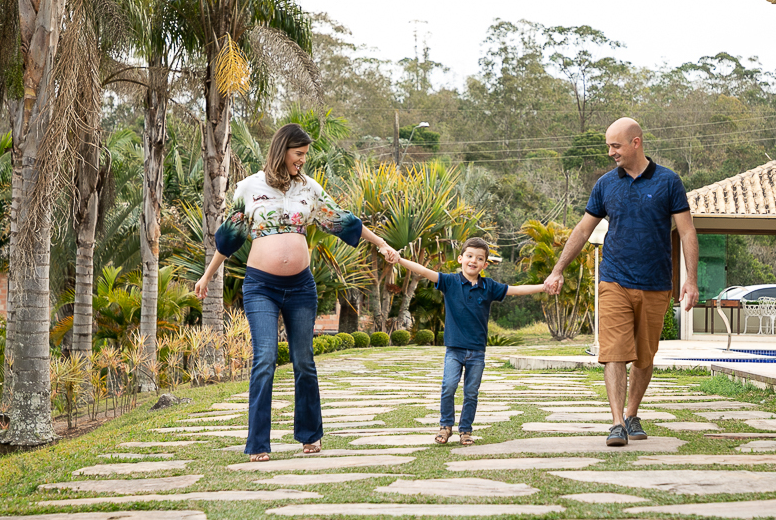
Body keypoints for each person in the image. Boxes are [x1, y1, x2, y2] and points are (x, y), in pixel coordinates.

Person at [194, 124, 399, 462]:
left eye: (305, 155)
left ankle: (309, 434)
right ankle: (258, 443)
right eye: (298, 154)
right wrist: (207, 276)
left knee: (304, 360)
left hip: (301, 287)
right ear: (282, 150)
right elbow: (230, 237)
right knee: (265, 358)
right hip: (261, 286)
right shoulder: (249, 187)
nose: (302, 160)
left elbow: (343, 221)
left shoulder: (309, 188)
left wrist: (382, 244)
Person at [544, 118, 698, 447]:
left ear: (635, 143)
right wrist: (558, 269)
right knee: (613, 353)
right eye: (608, 146)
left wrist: (691, 280)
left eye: (615, 146)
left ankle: (632, 414)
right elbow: (583, 230)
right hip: (614, 279)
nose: (611, 152)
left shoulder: (669, 181)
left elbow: (687, 232)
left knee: (644, 357)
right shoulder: (605, 184)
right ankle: (616, 423)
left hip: (656, 283)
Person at [395, 238, 546, 445]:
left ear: (485, 264)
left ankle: (465, 430)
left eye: (479, 258)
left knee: (471, 393)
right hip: (454, 350)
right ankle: (445, 427)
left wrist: (544, 287)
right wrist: (399, 259)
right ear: (461, 259)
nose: (473, 261)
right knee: (448, 387)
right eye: (469, 256)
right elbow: (423, 270)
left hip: (477, 352)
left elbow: (517, 290)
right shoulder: (450, 282)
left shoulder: (489, 286)